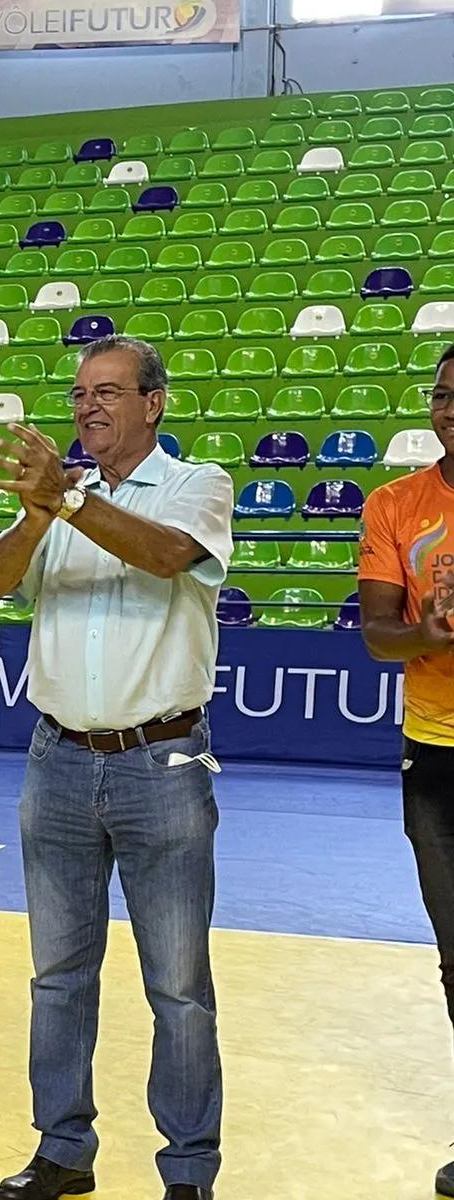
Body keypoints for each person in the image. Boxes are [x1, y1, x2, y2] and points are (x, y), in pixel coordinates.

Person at [0, 334, 233, 1200]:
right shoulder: (58, 502)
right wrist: (43, 513)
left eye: (109, 392)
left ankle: (189, 1169)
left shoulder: (198, 487)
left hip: (161, 762)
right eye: (82, 394)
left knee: (179, 985)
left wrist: (71, 502)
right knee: (58, 975)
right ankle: (62, 1149)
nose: (89, 407)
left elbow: (165, 557)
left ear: (154, 403)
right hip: (57, 763)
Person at [358, 342, 454, 1200]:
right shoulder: (397, 505)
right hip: (436, 754)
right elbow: (378, 632)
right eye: (444, 394)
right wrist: (430, 636)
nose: (452, 408)